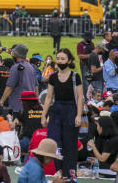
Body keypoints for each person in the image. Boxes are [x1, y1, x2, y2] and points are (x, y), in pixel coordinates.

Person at [41, 48, 83, 179]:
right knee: (54, 141)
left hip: (71, 110)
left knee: (70, 144)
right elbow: (48, 97)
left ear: (69, 60)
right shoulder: (53, 77)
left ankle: (69, 175)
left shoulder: (75, 76)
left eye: (63, 59)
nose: (60, 61)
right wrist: (44, 115)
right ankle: (58, 171)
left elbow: (80, 97)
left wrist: (79, 115)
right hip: (56, 110)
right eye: (58, 58)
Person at [0, 43, 37, 114]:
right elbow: (36, 86)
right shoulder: (31, 67)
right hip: (30, 105)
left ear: (16, 54)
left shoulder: (15, 67)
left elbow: (9, 87)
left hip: (17, 106)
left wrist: (1, 102)